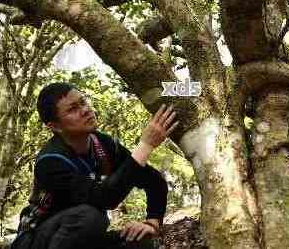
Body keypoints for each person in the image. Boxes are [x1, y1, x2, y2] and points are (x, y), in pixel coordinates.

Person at [12, 82, 178, 249]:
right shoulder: (50, 162)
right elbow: (105, 199)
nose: (85, 110)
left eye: (83, 102)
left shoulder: (104, 145)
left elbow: (154, 181)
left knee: (142, 242)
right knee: (90, 216)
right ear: (55, 126)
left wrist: (152, 223)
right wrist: (145, 146)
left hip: (82, 238)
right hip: (40, 239)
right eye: (72, 109)